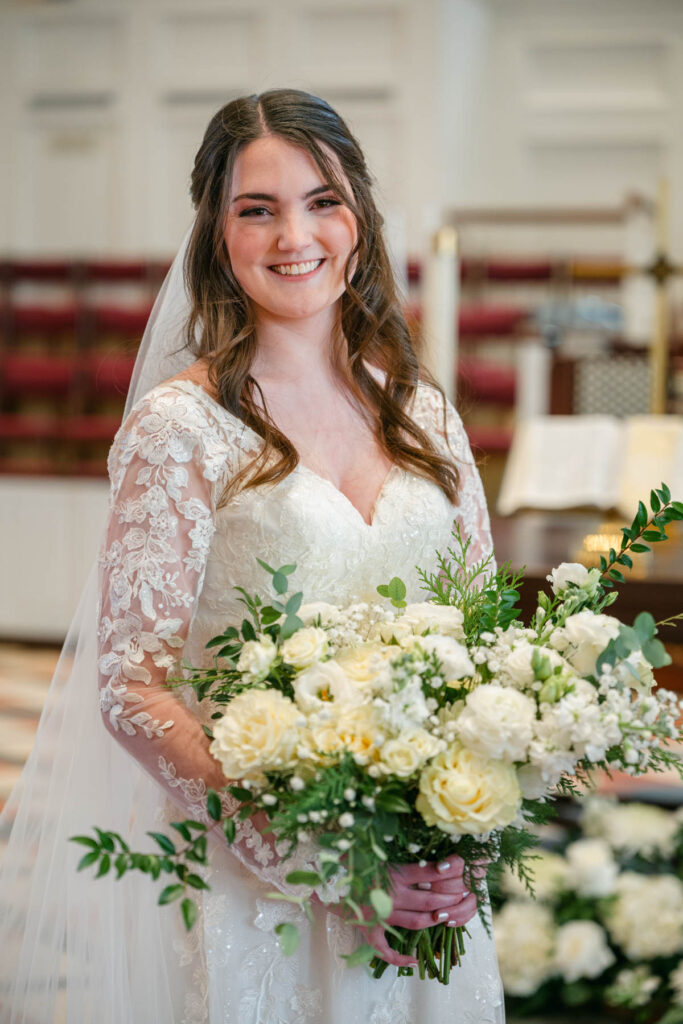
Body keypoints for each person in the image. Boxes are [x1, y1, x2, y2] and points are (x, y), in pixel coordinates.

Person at [0, 89, 504, 1023]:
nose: (293, 237)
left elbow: (485, 646)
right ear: (216, 235)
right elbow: (131, 687)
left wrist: (458, 833)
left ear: (360, 217)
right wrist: (323, 862)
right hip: (258, 882)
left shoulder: (424, 414)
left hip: (423, 872)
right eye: (257, 210)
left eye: (322, 201)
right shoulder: (181, 429)